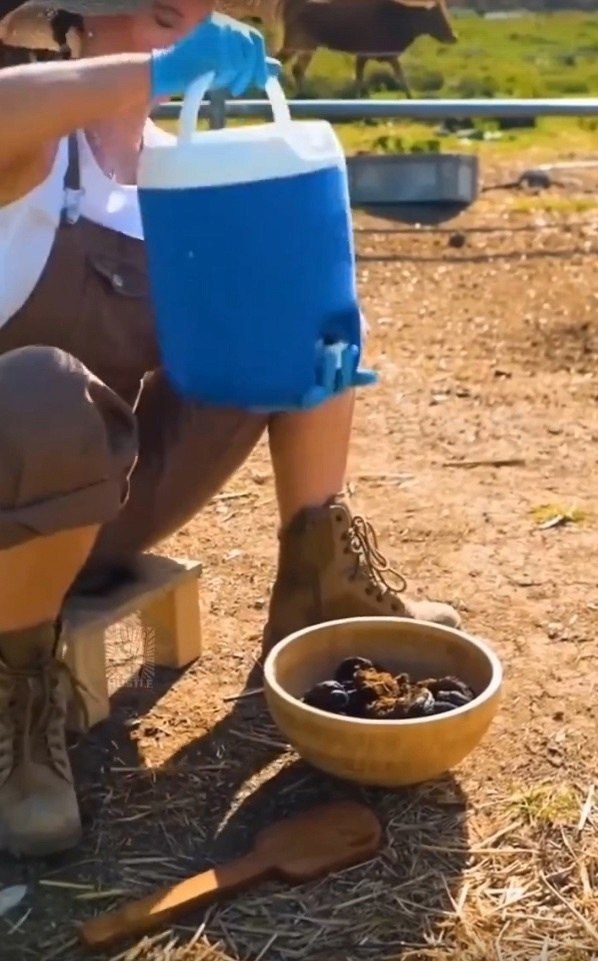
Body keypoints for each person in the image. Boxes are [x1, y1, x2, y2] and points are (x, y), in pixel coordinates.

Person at [0, 0, 459, 858]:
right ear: (79, 25)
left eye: (187, 15)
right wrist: (151, 74)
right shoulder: (32, 149)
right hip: (9, 512)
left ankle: (316, 578)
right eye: (150, 15)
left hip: (112, 503)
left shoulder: (181, 167)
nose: (178, 29)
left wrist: (296, 325)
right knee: (42, 390)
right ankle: (15, 688)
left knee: (293, 300)